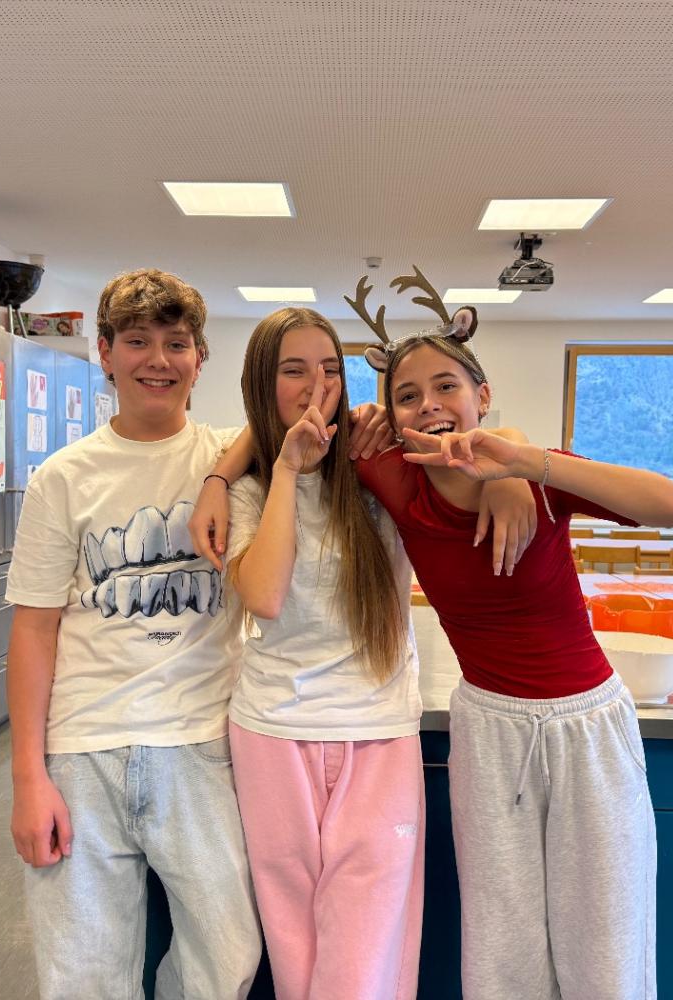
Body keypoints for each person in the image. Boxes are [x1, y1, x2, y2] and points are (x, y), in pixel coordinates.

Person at [5, 271, 390, 999]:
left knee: (229, 952)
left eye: (176, 343)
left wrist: (218, 475)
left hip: (200, 741)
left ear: (200, 357)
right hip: (83, 748)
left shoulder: (232, 460)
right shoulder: (63, 477)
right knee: (83, 971)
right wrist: (29, 776)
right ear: (105, 352)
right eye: (137, 342)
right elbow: (33, 629)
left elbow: (289, 422)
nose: (158, 360)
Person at [190, 307, 536, 1000]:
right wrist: (281, 471)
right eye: (293, 370)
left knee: (366, 948)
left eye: (329, 369)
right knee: (293, 939)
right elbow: (264, 594)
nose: (316, 386)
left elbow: (483, 437)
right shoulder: (250, 486)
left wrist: (507, 474)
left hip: (376, 728)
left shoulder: (378, 463)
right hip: (272, 731)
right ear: (263, 384)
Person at [354, 310, 673, 1000]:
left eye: (446, 386)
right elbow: (291, 426)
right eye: (407, 395)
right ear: (392, 417)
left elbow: (671, 504)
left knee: (605, 937)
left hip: (587, 725)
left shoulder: (537, 477)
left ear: (482, 395)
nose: (429, 404)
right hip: (489, 729)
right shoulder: (394, 475)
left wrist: (518, 460)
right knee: (501, 945)